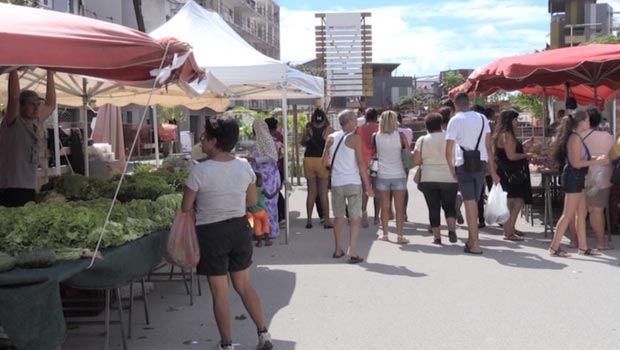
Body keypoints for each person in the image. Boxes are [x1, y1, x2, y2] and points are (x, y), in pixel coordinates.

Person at [181, 116, 273, 350]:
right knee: (243, 284)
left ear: (213, 140)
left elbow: (185, 206)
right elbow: (252, 200)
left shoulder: (200, 171)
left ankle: (227, 344)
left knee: (219, 292)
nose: (202, 142)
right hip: (239, 229)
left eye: (204, 138)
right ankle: (263, 333)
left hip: (211, 233)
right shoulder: (244, 166)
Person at [548, 110, 608, 257]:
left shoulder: (576, 137)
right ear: (580, 122)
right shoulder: (575, 138)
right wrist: (597, 161)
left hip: (577, 177)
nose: (589, 123)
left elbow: (578, 158)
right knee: (567, 215)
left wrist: (595, 158)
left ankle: (583, 247)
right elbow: (576, 162)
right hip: (574, 178)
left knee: (580, 214)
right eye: (587, 120)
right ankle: (554, 248)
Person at [445, 92, 499, 255]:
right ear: (468, 103)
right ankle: (471, 239)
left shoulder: (455, 120)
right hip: (481, 163)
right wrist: (493, 171)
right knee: (474, 202)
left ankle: (475, 243)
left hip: (464, 164)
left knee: (470, 203)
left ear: (455, 105)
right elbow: (489, 147)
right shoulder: (482, 118)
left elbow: (448, 150)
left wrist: (452, 169)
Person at [322, 109, 374, 263]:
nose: (356, 122)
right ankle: (352, 249)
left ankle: (338, 249)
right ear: (350, 121)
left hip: (337, 183)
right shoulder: (355, 139)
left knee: (338, 217)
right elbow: (360, 164)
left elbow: (324, 163)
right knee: (355, 217)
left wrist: (327, 150)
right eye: (355, 119)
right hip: (353, 182)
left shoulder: (330, 138)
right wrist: (368, 186)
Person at [0, 69, 56, 207]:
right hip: (10, 187)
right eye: (31, 104)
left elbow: (50, 105)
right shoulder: (13, 121)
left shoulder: (35, 122)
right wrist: (13, 67)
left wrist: (50, 73)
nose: (36, 107)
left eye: (37, 104)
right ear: (21, 105)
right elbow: (13, 96)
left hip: (28, 186)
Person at [568, 107, 616, 250]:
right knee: (596, 210)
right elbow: (613, 155)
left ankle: (575, 241)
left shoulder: (576, 136)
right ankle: (601, 242)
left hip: (579, 176)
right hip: (601, 177)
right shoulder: (606, 137)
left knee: (578, 211)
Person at [413, 113, 459, 244]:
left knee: (433, 208)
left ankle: (437, 237)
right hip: (450, 177)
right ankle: (451, 229)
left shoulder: (422, 140)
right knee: (449, 206)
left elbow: (416, 161)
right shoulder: (450, 138)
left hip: (428, 178)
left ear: (426, 126)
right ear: (440, 124)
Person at [493, 109, 533, 241]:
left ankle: (509, 229)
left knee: (512, 201)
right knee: (515, 201)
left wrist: (523, 146)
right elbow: (511, 156)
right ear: (510, 121)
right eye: (516, 119)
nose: (517, 122)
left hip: (505, 172)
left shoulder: (501, 134)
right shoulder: (508, 135)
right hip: (511, 172)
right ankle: (508, 231)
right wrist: (527, 155)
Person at [373, 110, 409, 244]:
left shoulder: (376, 136)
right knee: (399, 208)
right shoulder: (401, 136)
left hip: (382, 174)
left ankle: (385, 234)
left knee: (385, 206)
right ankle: (400, 236)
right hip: (399, 174)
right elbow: (407, 154)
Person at [301, 109, 333, 229]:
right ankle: (327, 221)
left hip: (308, 159)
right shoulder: (328, 129)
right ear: (324, 118)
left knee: (311, 192)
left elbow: (303, 142)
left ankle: (309, 220)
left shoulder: (307, 129)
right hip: (322, 160)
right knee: (323, 192)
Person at [249, 118, 281, 239]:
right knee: (260, 205)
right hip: (260, 177)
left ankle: (270, 231)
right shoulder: (258, 143)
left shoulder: (269, 141)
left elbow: (271, 157)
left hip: (269, 177)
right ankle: (261, 231)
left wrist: (254, 160)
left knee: (269, 205)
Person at [355, 108, 380, 227]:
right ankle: (376, 218)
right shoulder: (380, 128)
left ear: (365, 117)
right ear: (376, 117)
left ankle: (363, 212)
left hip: (362, 162)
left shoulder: (359, 129)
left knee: (365, 189)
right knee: (376, 189)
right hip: (376, 161)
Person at [264, 117, 286, 226]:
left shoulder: (273, 138)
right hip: (279, 167)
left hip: (276, 168)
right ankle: (281, 215)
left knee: (275, 193)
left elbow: (278, 155)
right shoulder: (279, 136)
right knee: (276, 192)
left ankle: (281, 215)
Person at [248, 172, 273, 247]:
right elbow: (269, 196)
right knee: (265, 225)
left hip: (254, 213)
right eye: (261, 180)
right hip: (263, 211)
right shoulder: (261, 189)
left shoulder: (249, 190)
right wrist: (277, 190)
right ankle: (267, 240)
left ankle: (259, 242)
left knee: (257, 227)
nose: (262, 181)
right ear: (257, 181)